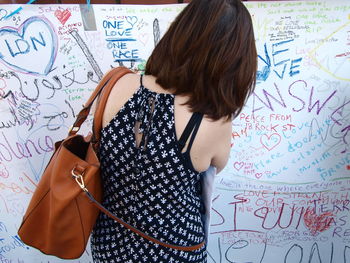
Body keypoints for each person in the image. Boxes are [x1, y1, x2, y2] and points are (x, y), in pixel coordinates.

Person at [91, 0, 257, 262]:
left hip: (110, 244)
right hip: (174, 249)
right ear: (234, 59)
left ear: (178, 35)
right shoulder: (214, 121)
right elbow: (216, 166)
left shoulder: (116, 83)